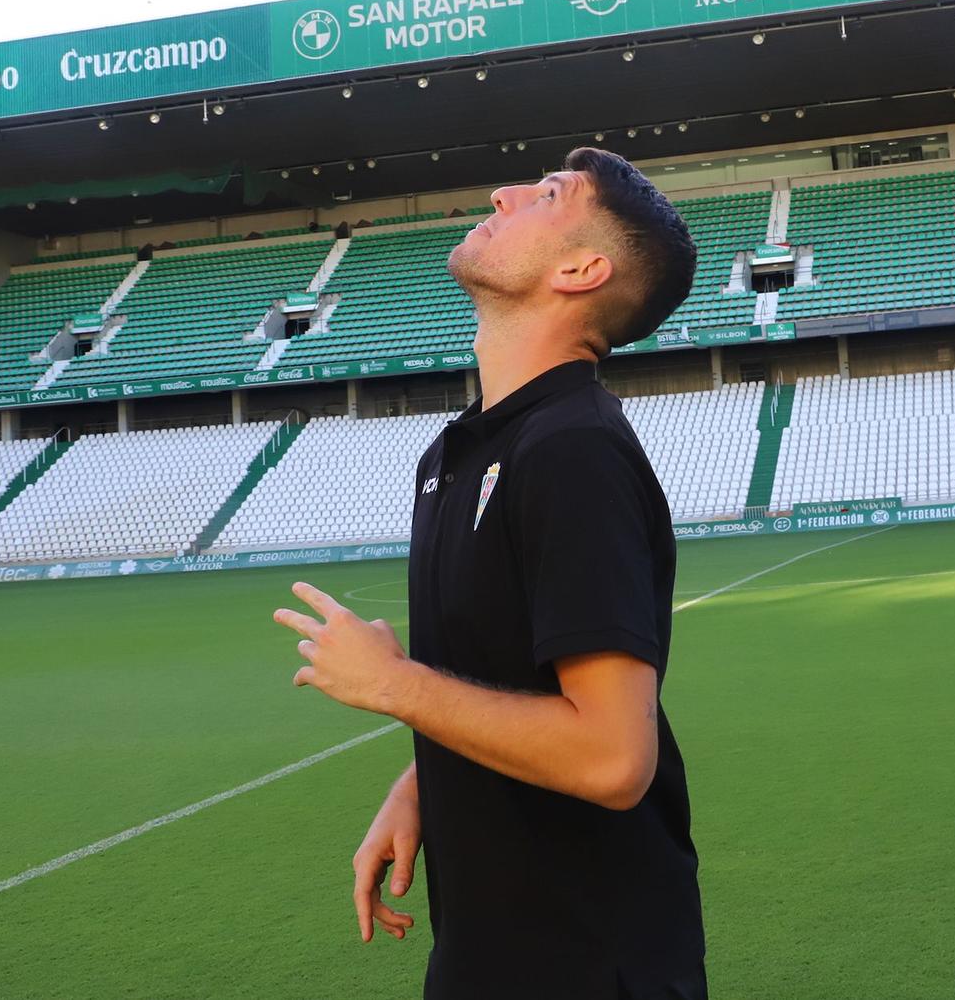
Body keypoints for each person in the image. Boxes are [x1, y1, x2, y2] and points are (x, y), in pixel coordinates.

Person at [273, 146, 705, 999]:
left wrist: (395, 686)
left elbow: (614, 757)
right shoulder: (461, 451)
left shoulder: (573, 450)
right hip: (485, 951)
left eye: (546, 195)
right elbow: (510, 676)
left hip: (585, 964)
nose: (502, 193)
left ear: (582, 269)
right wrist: (424, 783)